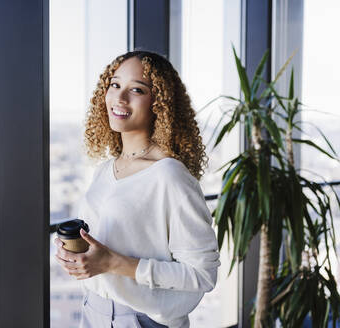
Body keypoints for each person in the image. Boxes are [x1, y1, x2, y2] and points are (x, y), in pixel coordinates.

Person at [53, 50, 221, 328]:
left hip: (139, 320)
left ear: (160, 104)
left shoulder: (170, 175)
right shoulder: (106, 170)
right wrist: (77, 256)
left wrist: (114, 264)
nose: (120, 98)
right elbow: (106, 242)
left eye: (137, 89)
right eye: (115, 85)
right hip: (92, 310)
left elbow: (203, 276)